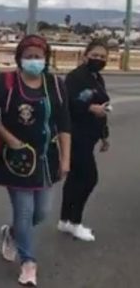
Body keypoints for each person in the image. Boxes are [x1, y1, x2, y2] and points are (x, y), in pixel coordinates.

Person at [0, 35, 71, 287]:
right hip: (18, 159)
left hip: (47, 158)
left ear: (46, 59)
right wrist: (10, 139)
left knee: (41, 212)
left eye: (38, 56)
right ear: (19, 58)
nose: (34, 61)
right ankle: (28, 262)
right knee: (24, 212)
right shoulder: (7, 82)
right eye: (29, 56)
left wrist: (66, 158)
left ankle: (11, 233)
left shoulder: (55, 85)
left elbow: (64, 123)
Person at [59, 39, 110, 242]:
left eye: (103, 57)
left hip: (90, 136)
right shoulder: (75, 77)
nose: (99, 59)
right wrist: (89, 108)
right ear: (85, 55)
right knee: (89, 178)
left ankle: (65, 220)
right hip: (75, 135)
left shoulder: (97, 77)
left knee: (75, 179)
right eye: (95, 55)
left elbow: (102, 106)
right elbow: (67, 103)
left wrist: (104, 135)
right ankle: (75, 222)